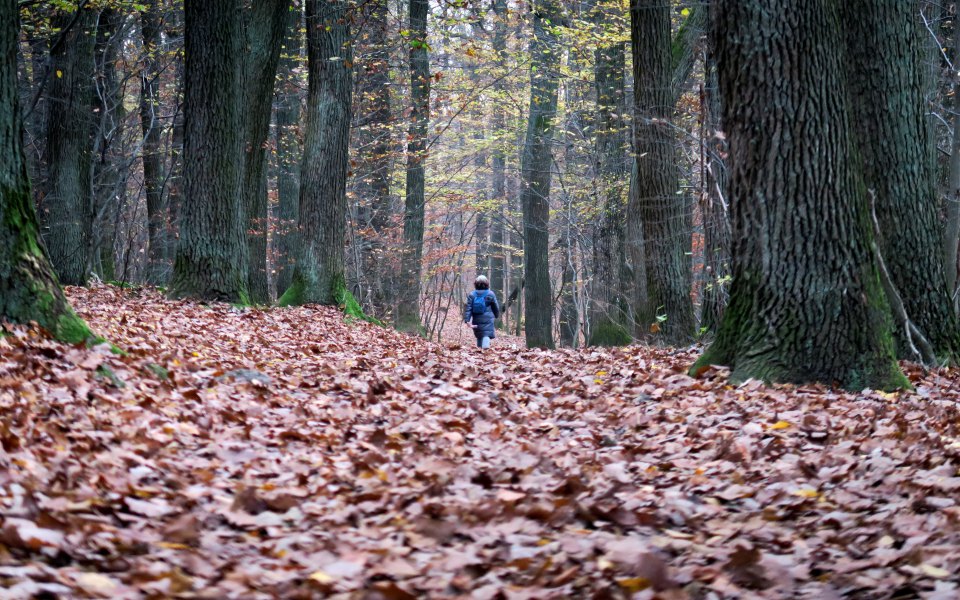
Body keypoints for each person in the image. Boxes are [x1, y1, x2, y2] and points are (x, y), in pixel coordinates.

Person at [463, 275, 500, 349]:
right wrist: (496, 315)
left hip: (476, 319)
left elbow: (468, 308)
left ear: (476, 284)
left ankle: (479, 350)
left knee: (479, 335)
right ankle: (485, 349)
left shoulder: (472, 295)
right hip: (488, 319)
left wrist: (467, 320)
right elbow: (495, 306)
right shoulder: (490, 294)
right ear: (486, 283)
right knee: (486, 334)